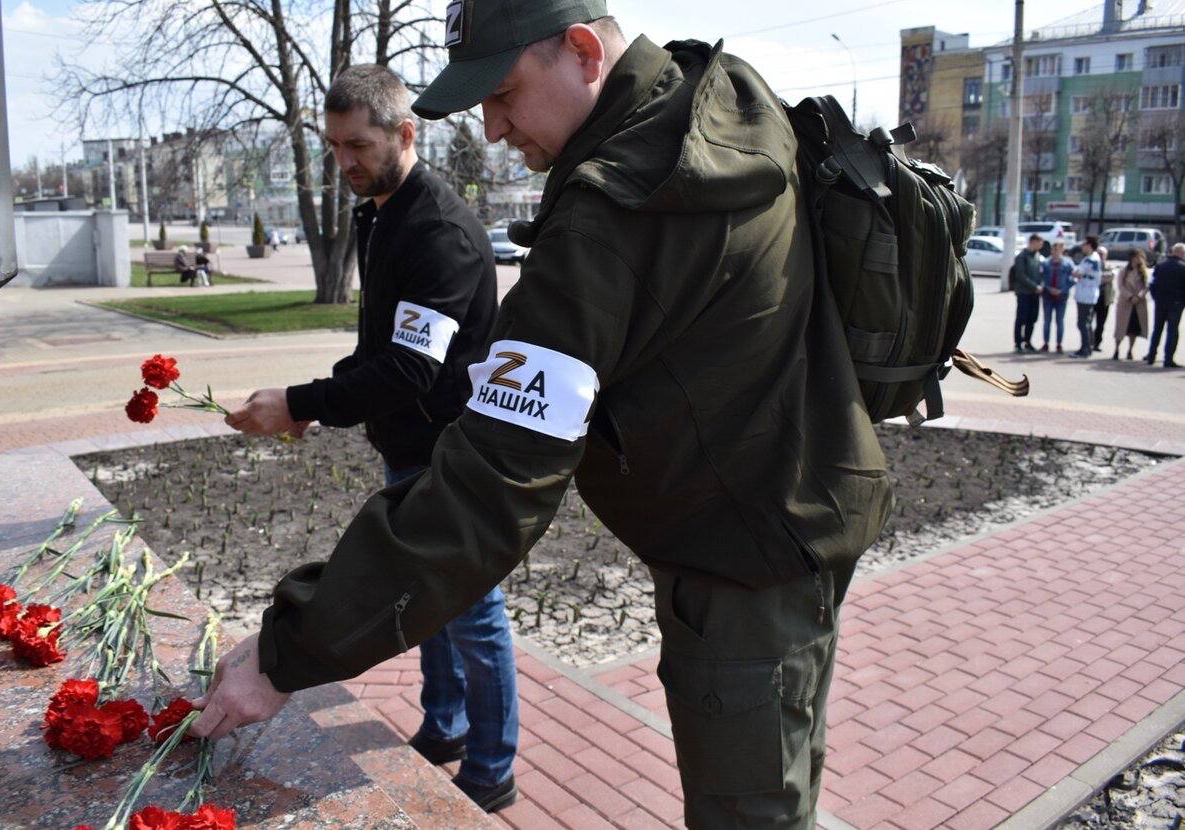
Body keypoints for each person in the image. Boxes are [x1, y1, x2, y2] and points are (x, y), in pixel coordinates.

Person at [190, 5, 893, 827]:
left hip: (742, 551)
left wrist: (289, 651)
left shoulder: (614, 216)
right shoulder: (718, 97)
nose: (492, 129)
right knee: (782, 777)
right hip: (807, 498)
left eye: (504, 94)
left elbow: (492, 486)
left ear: (584, 52)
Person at [220, 66, 519, 811]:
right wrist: (316, 403)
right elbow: (378, 347)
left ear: (405, 133)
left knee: (473, 616)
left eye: (357, 145)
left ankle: (492, 769)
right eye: (333, 148)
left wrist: (299, 399)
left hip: (452, 451)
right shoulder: (379, 212)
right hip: (407, 445)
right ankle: (443, 728)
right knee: (423, 603)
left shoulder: (439, 231)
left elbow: (412, 369)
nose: (344, 162)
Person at [1145, 242, 1185, 368]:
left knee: (1157, 329)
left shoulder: (1160, 266)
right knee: (1172, 331)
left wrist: (1156, 297)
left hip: (1160, 302)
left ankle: (1151, 356)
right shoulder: (1183, 267)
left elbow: (1152, 283)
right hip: (1176, 303)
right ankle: (1168, 359)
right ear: (1182, 253)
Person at [1112, 249, 1151, 360]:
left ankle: (1130, 350)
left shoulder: (1144, 271)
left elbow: (1147, 286)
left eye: (1141, 257)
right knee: (1121, 328)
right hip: (1125, 303)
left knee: (1133, 329)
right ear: (1132, 258)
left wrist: (1139, 296)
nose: (1139, 259)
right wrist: (1130, 296)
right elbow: (1120, 286)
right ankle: (1116, 349)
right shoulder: (1124, 271)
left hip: (1138, 304)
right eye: (1137, 257)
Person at [1039, 240, 1075, 353]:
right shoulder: (1046, 263)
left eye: (1058, 249)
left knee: (1059, 320)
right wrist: (1048, 288)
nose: (1055, 251)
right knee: (1047, 320)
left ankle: (1059, 344)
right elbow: (1041, 278)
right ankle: (1046, 343)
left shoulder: (1067, 263)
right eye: (1054, 249)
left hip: (1061, 296)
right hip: (1048, 296)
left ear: (1062, 250)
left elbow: (1073, 279)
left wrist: (1062, 289)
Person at [1070, 235, 1103, 358]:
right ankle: (1088, 346)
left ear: (1089, 245)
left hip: (1086, 294)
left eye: (1084, 245)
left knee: (1083, 323)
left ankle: (1086, 348)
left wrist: (1074, 271)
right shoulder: (1093, 258)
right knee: (1086, 322)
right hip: (1087, 294)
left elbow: (1077, 273)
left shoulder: (1091, 259)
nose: (1082, 247)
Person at [1011, 234, 1044, 353]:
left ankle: (1028, 342)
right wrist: (1035, 286)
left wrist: (1040, 286)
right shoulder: (1022, 256)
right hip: (1024, 292)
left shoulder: (1038, 256)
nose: (1041, 245)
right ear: (1033, 242)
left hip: (1035, 293)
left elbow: (1041, 274)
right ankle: (1018, 343)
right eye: (1039, 242)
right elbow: (1020, 275)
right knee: (1021, 318)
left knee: (1032, 318)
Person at [1092, 245, 1114, 352]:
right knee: (1087, 322)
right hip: (1091, 298)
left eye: (1102, 254)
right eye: (1098, 253)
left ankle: (1097, 343)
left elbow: (1110, 276)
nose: (1100, 256)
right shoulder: (1091, 265)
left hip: (1104, 299)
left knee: (1101, 323)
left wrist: (1099, 277)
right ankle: (1089, 341)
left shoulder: (1109, 266)